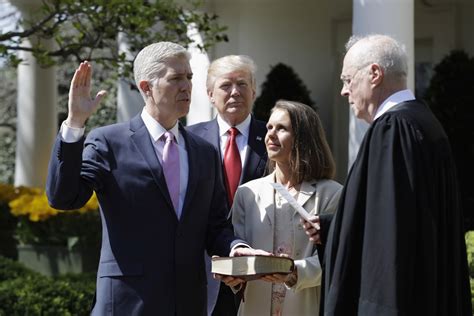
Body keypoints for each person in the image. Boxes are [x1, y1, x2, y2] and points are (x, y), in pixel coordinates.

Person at [46, 42, 260, 315]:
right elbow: (63, 197)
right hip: (127, 302)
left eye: (189, 77)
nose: (187, 86)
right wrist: (75, 124)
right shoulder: (109, 142)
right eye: (176, 78)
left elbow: (215, 225)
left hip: (188, 303)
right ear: (146, 87)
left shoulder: (204, 152)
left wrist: (235, 247)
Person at [314, 34, 471, 315]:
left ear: (374, 74)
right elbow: (403, 218)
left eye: (347, 80)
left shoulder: (393, 130)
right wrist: (330, 227)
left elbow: (387, 240)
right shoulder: (424, 121)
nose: (343, 91)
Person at [229, 100, 342, 315]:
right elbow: (240, 250)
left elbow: (337, 257)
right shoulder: (247, 193)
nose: (270, 134)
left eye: (281, 128)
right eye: (269, 127)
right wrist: (232, 272)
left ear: (303, 138)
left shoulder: (332, 194)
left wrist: (294, 272)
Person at [187, 55, 267, 316]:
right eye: (225, 86)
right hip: (202, 269)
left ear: (254, 91)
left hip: (258, 268)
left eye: (242, 84)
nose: (235, 92)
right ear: (210, 94)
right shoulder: (188, 140)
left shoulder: (273, 138)